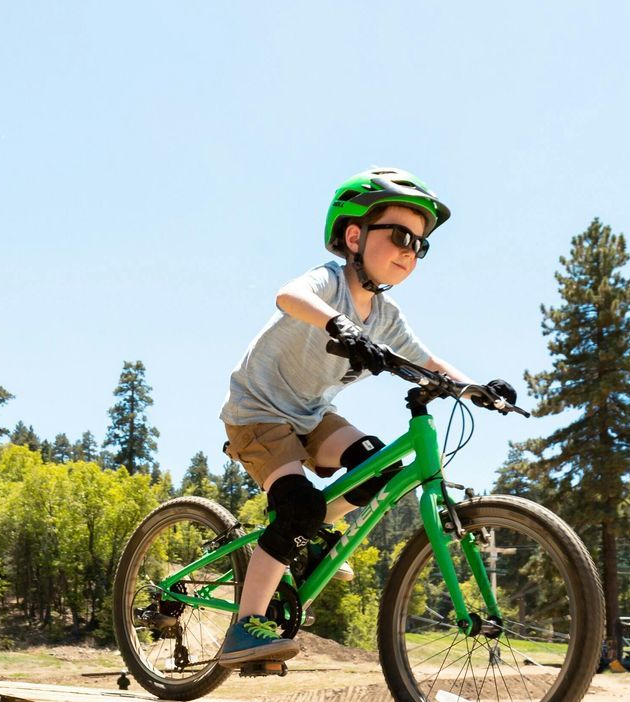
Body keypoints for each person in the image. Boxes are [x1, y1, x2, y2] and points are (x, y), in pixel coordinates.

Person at [215, 167, 515, 666]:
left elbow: (428, 363)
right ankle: (245, 627)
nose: (409, 250)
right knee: (299, 508)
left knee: (376, 471)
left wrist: (476, 388)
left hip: (311, 415)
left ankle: (306, 535)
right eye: (399, 235)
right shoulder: (329, 283)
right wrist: (338, 324)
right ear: (355, 235)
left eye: (420, 245)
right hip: (258, 411)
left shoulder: (385, 317)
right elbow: (288, 297)